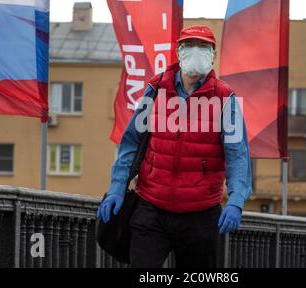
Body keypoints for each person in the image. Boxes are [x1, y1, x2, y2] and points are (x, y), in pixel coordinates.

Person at [97, 25, 252, 268]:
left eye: (204, 47)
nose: (197, 52)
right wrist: (117, 187)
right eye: (190, 46)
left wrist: (236, 200)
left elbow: (238, 155)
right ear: (178, 52)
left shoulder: (225, 98)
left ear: (213, 55)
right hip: (151, 207)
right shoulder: (156, 89)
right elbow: (131, 141)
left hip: (200, 213)